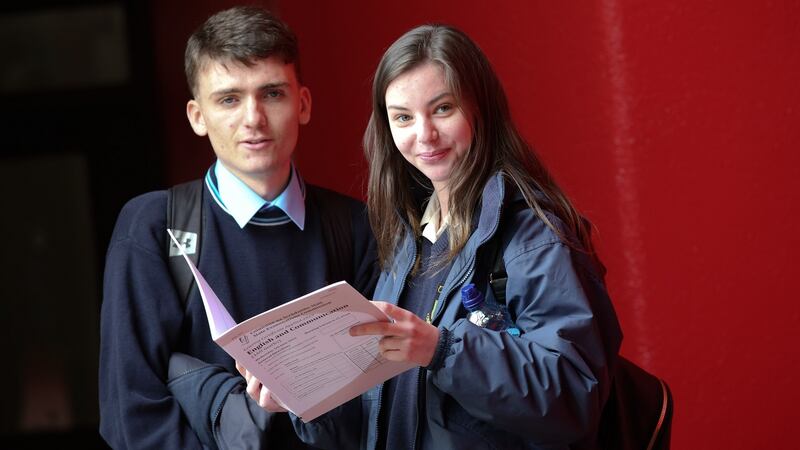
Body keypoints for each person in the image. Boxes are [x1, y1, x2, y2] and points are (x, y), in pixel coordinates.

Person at [242, 24, 624, 449]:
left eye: (442, 109)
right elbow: (390, 416)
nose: (423, 135)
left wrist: (442, 350)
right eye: (403, 117)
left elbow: (574, 396)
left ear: (480, 109)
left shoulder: (534, 234)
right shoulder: (409, 241)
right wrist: (302, 394)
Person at [98, 6, 378, 449]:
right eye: (229, 99)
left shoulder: (356, 228)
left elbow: (377, 402)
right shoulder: (155, 228)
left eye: (271, 94)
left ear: (302, 104)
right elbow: (130, 416)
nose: (253, 118)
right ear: (197, 116)